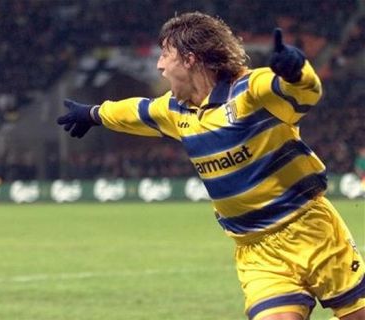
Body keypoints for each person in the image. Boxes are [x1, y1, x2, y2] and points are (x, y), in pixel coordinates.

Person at [57, 12, 365, 320]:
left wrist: (297, 73)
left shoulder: (250, 90)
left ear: (189, 59)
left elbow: (302, 93)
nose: (159, 66)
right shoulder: (175, 110)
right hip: (257, 251)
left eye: (165, 55)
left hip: (312, 231)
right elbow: (136, 111)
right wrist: (93, 113)